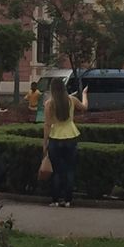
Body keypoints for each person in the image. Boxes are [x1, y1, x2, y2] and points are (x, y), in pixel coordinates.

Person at [42, 79, 89, 208]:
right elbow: (84, 107)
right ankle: (68, 200)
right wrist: (84, 94)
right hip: (71, 136)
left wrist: (44, 143)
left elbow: (47, 125)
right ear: (64, 88)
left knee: (56, 171)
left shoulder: (49, 104)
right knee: (70, 170)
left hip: (55, 137)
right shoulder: (71, 100)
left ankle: (55, 200)